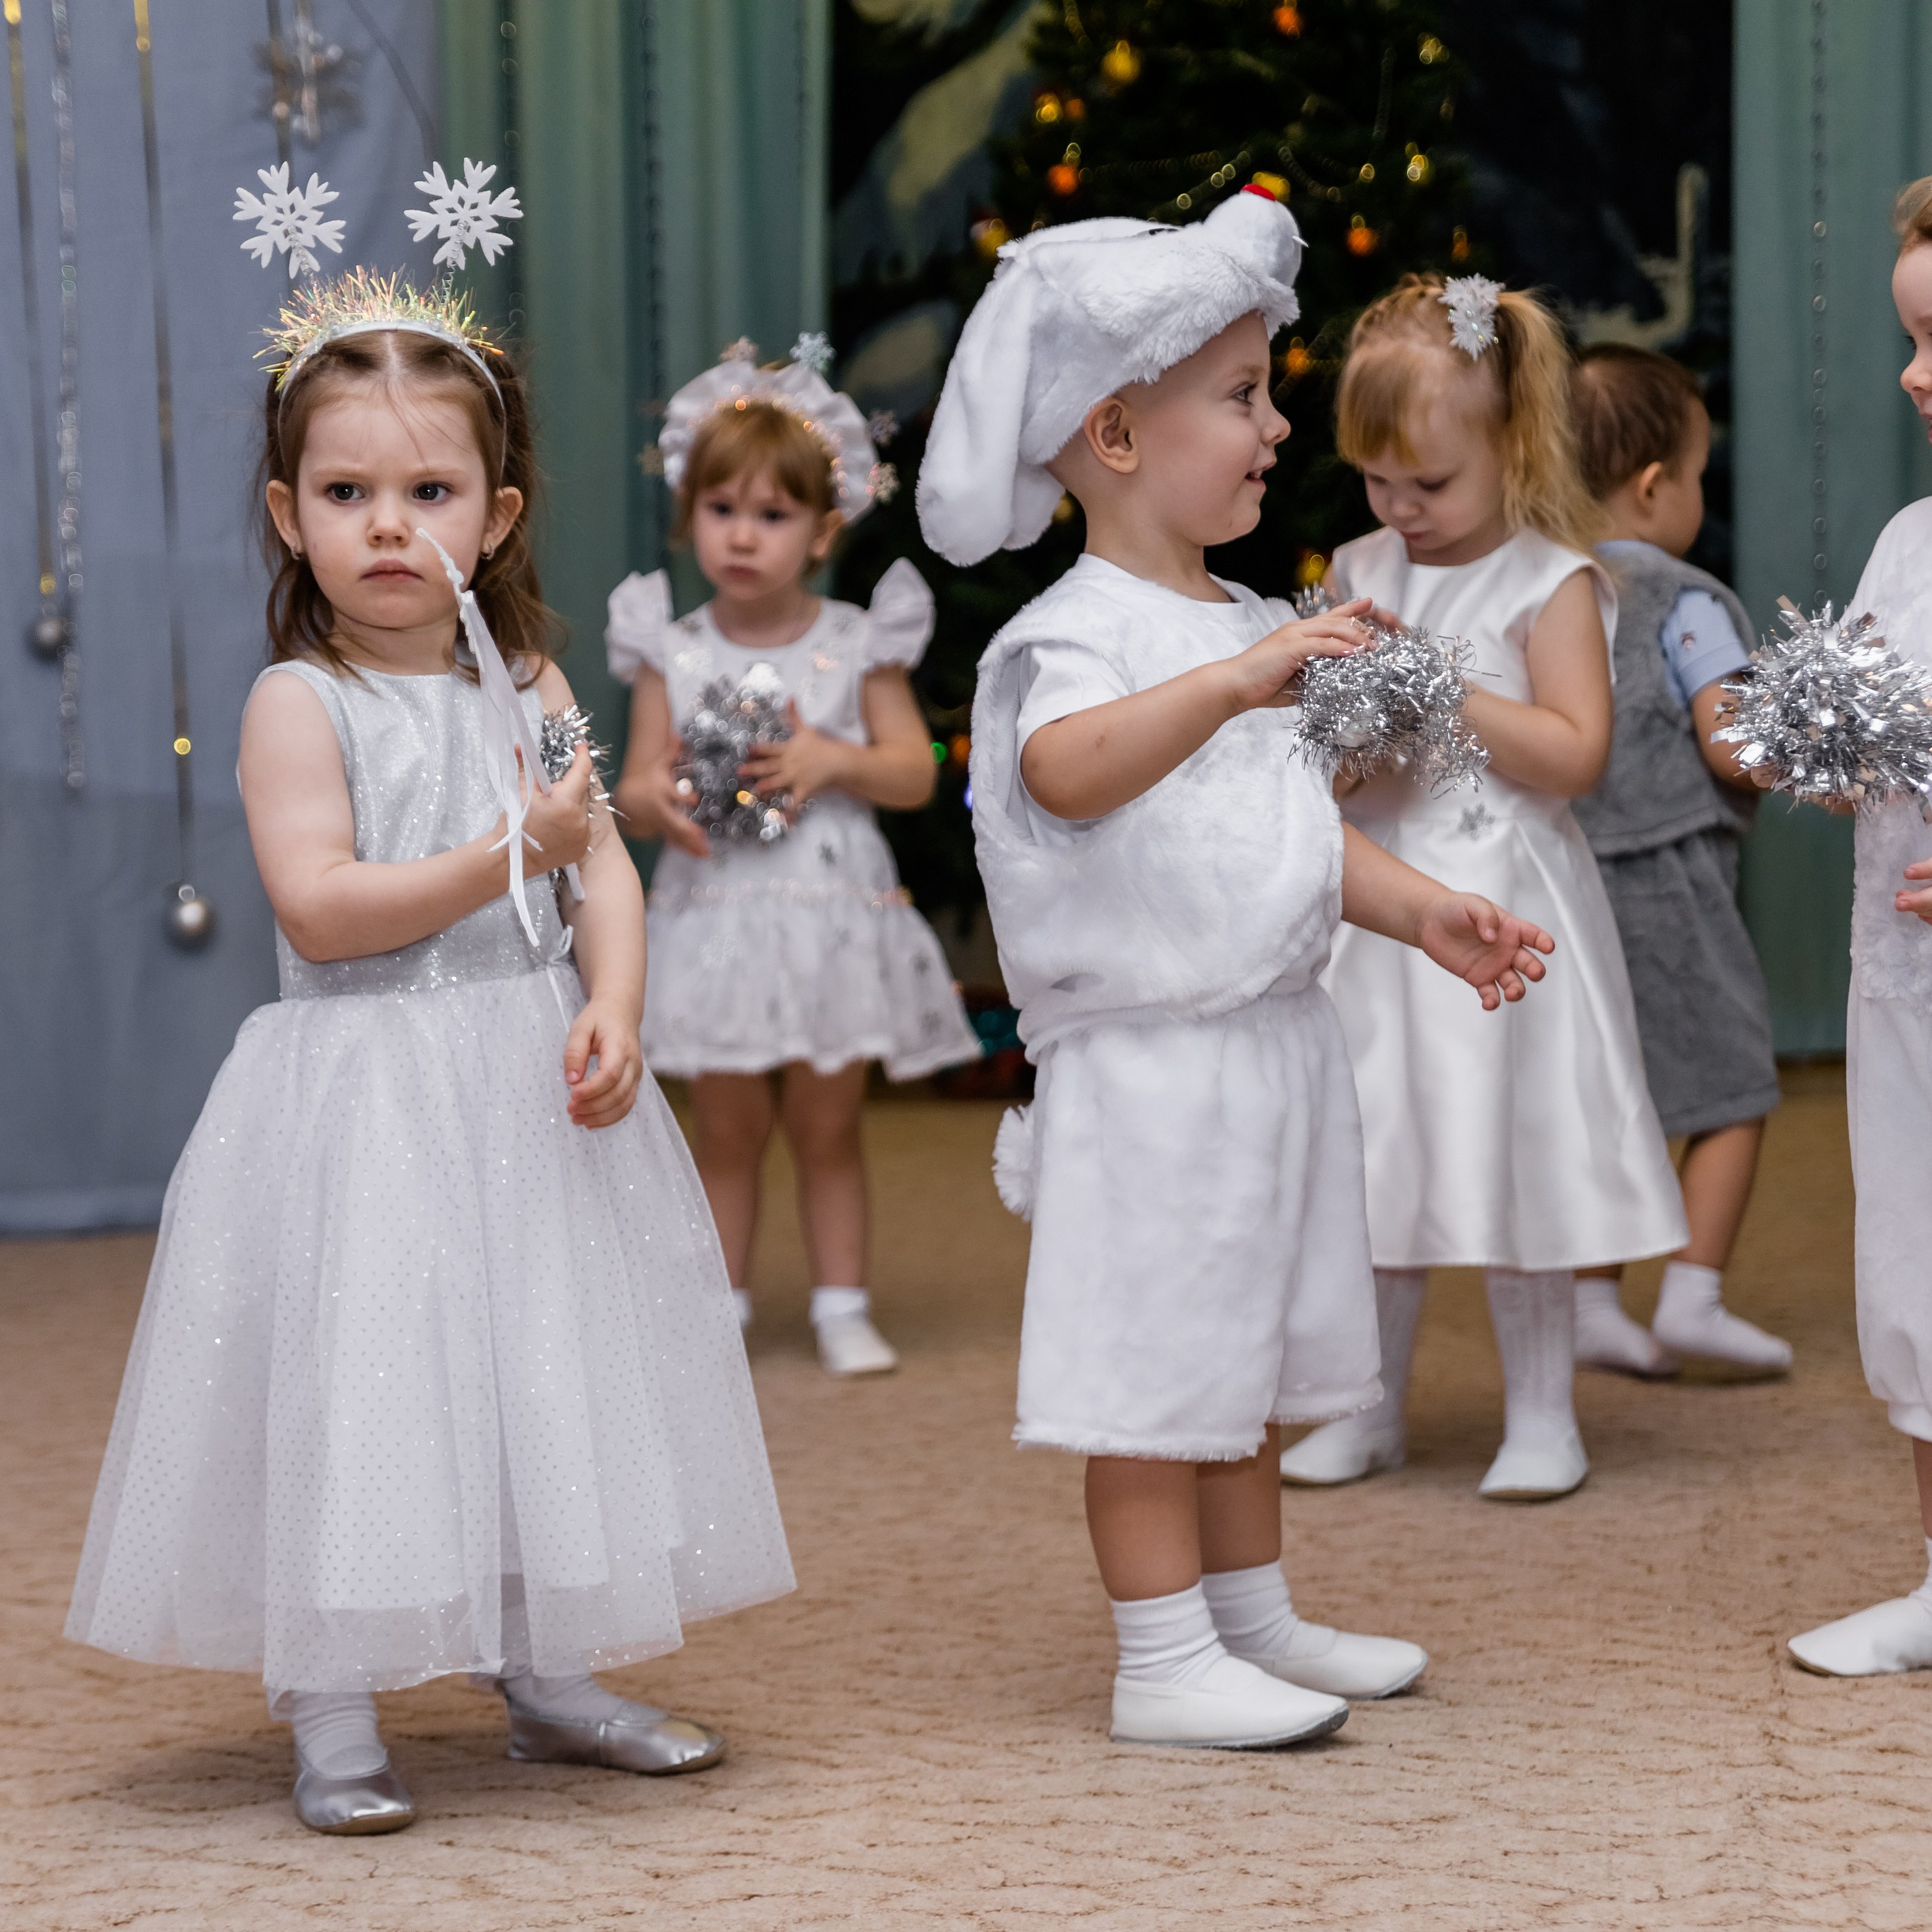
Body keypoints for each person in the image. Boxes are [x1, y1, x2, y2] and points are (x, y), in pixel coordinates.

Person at [65, 269, 793, 1835]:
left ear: (497, 509)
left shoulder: (521, 683)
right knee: (370, 1377)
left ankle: (548, 1666)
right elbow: (326, 910)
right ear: (285, 510)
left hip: (522, 1077)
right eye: (346, 490)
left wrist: (615, 997)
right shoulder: (292, 702)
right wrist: (500, 852)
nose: (388, 524)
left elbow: (599, 858)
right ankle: (330, 1701)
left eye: (427, 489)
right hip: (363, 1091)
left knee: (540, 1361)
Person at [920, 188, 1556, 1749]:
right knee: (1157, 1370)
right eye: (1237, 394)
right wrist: (1235, 678)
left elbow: (1280, 833)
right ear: (1116, 435)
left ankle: (1249, 1615)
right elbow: (1066, 774)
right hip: (1148, 1069)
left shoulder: (1240, 614)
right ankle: (1157, 1656)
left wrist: (1420, 911)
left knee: (1248, 1358)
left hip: (1267, 1046)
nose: (1273, 426)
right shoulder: (1069, 632)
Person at [1280, 274, 1687, 1503]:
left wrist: (1440, 685)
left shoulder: (1550, 580)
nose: (1400, 510)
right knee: (1377, 1155)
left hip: (1512, 893)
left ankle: (1545, 1414)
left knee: (1521, 1154)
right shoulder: (1361, 563)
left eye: (1431, 485)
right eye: (1378, 482)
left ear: (1511, 447)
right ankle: (1367, 1407)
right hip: (1390, 908)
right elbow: (1334, 760)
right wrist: (1348, 733)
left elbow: (1574, 753)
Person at [608, 341, 979, 1379]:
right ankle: (720, 1303)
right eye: (722, 508)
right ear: (689, 515)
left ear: (821, 530)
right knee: (726, 1129)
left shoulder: (863, 640)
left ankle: (841, 1301)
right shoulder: (667, 646)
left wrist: (833, 756)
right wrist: (664, 800)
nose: (742, 535)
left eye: (772, 516)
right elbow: (632, 787)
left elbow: (911, 772)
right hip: (717, 917)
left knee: (827, 1124)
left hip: (828, 918)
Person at [1565, 345, 1791, 1377]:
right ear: (1656, 485)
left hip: (1563, 883)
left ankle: (1591, 1301)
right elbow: (1730, 741)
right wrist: (1800, 747)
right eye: (1699, 477)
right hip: (1669, 886)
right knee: (1732, 1084)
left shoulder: (1538, 590)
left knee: (1600, 1096)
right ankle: (1693, 1293)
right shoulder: (1686, 602)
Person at [1789, 178, 1932, 1677]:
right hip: (1906, 984)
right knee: (1916, 1261)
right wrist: (1818, 754)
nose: (1912, 372)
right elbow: (1874, 737)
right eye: (1907, 337)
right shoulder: (1907, 541)